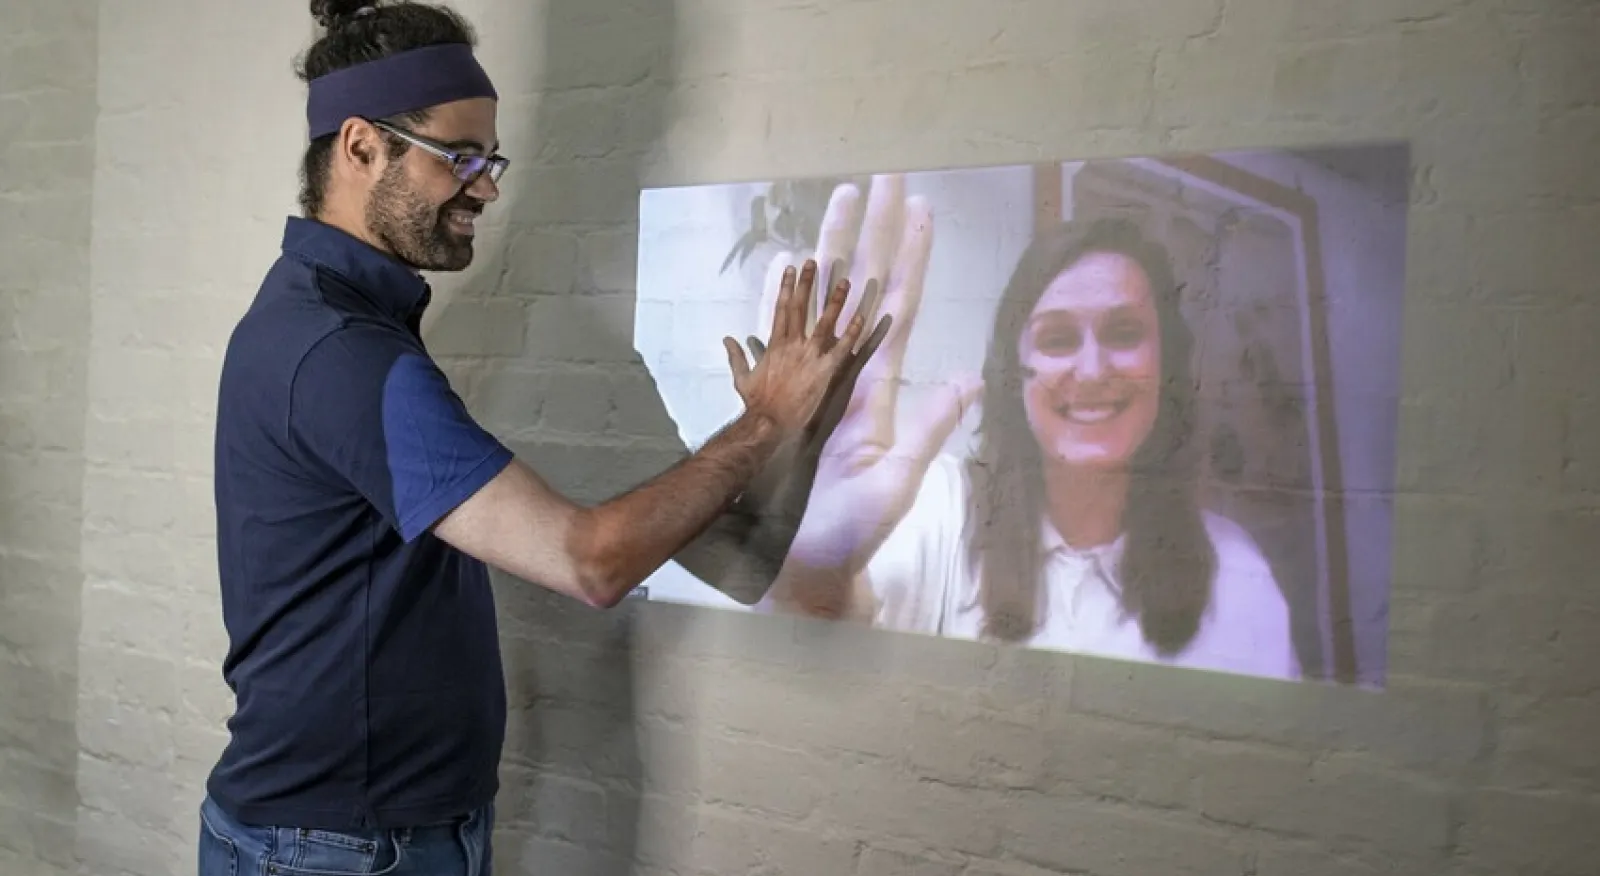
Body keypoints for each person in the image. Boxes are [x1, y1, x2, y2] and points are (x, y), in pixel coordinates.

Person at [198, 1, 884, 874]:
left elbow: (741, 566)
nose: (487, 186)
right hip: (336, 850)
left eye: (493, 160)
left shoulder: (333, 323)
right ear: (362, 147)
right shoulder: (342, 355)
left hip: (382, 835)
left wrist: (801, 427)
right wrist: (764, 423)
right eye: (463, 158)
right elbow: (591, 563)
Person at [758, 174, 1299, 682]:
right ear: (1014, 374)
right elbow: (838, 640)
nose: (1092, 371)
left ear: (1167, 365)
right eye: (1058, 339)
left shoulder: (1242, 581)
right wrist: (813, 588)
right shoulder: (940, 512)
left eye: (1124, 331)